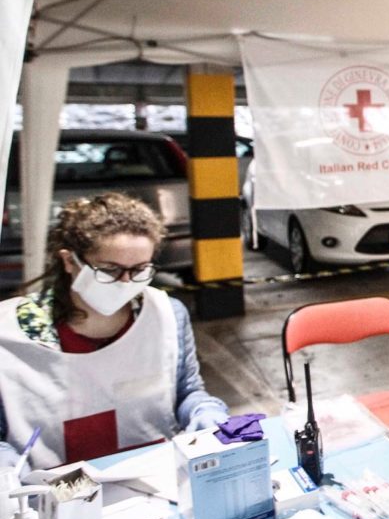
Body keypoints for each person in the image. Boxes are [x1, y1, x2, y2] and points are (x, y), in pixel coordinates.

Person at [0, 193, 228, 471]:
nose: (125, 282)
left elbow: (186, 392)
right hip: (51, 488)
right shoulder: (10, 332)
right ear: (69, 261)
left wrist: (204, 410)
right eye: (109, 270)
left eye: (139, 269)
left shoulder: (167, 315)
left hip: (152, 478)